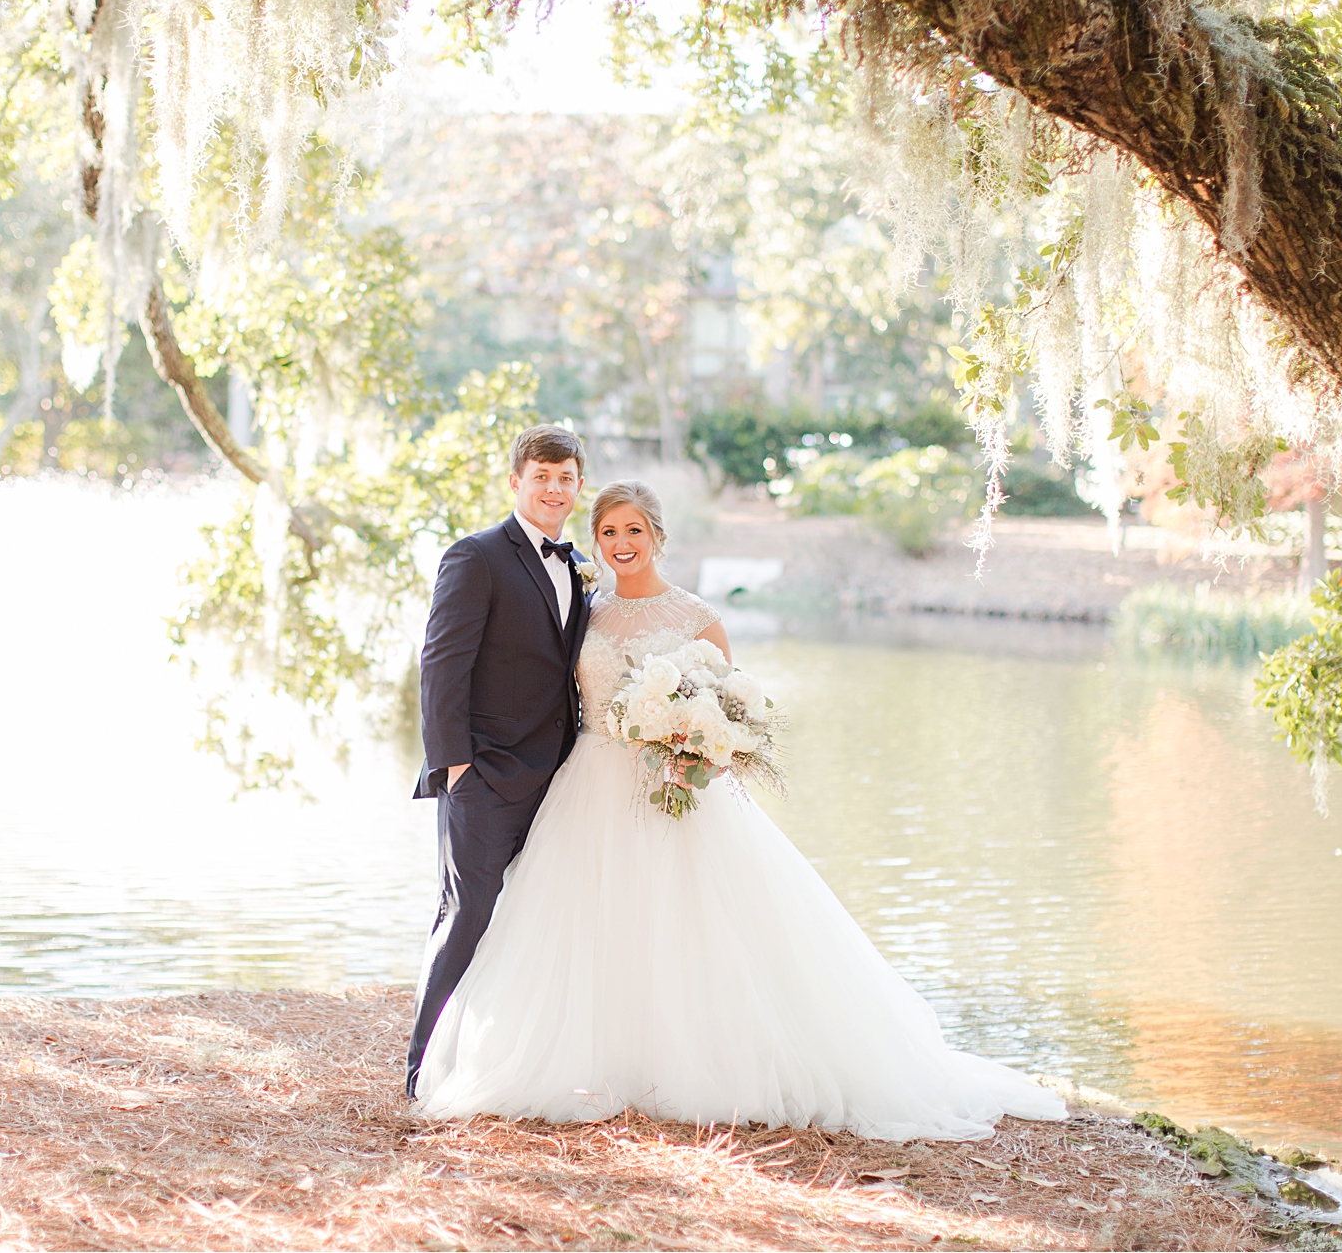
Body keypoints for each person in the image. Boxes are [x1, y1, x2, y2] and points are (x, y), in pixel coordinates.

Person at [413, 480, 1068, 1140]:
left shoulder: (696, 618)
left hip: (674, 788)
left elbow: (730, 713)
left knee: (689, 921)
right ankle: (594, 1058)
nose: (621, 544)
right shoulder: (587, 608)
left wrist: (692, 747)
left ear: (658, 535)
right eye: (609, 532)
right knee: (588, 919)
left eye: (633, 530)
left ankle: (692, 1060)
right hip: (589, 781)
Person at [406, 424, 594, 1099]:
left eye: (565, 477)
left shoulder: (574, 565)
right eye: (540, 476)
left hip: (559, 778)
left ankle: (497, 1060)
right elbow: (442, 664)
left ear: (578, 487)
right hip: (483, 777)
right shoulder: (476, 556)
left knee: (532, 920)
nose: (553, 488)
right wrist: (454, 768)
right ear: (516, 483)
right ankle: (420, 1071)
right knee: (465, 917)